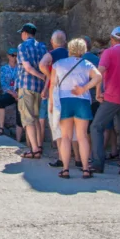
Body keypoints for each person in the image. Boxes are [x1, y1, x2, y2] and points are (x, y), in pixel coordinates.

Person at [49, 38, 102, 179]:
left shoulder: (58, 64)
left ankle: (65, 169)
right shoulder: (87, 64)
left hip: (64, 101)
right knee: (82, 136)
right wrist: (84, 88)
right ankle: (85, 169)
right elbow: (98, 77)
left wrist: (51, 104)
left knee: (65, 137)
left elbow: (53, 85)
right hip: (82, 101)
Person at [90, 27, 120, 175]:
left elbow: (99, 72)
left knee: (96, 126)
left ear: (112, 39)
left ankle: (98, 163)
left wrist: (98, 92)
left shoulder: (108, 53)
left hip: (111, 96)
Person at [16, 23, 48, 158]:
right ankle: (38, 146)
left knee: (28, 119)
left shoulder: (22, 46)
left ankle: (34, 149)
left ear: (25, 33)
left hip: (26, 85)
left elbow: (27, 68)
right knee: (36, 118)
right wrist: (43, 78)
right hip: (39, 87)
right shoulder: (42, 47)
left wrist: (40, 75)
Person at [40, 30, 69, 167]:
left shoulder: (52, 54)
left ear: (52, 42)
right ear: (65, 41)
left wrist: (50, 76)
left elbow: (42, 64)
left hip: (56, 92)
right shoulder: (71, 54)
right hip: (70, 92)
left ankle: (62, 158)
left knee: (57, 127)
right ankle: (80, 159)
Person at [0, 48, 20, 136]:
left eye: (16, 55)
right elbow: (4, 84)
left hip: (19, 92)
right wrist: (13, 93)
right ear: (8, 56)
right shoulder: (4, 68)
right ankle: (1, 127)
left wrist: (17, 93)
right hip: (10, 92)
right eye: (12, 55)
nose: (14, 57)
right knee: (1, 101)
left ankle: (19, 132)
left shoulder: (20, 68)